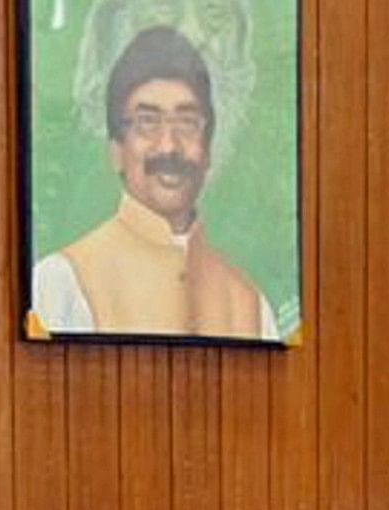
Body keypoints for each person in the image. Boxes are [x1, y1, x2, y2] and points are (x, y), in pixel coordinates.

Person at [30, 23, 280, 341]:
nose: (169, 146)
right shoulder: (61, 282)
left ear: (208, 150)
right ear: (116, 151)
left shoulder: (250, 305)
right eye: (148, 122)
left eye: (187, 123)